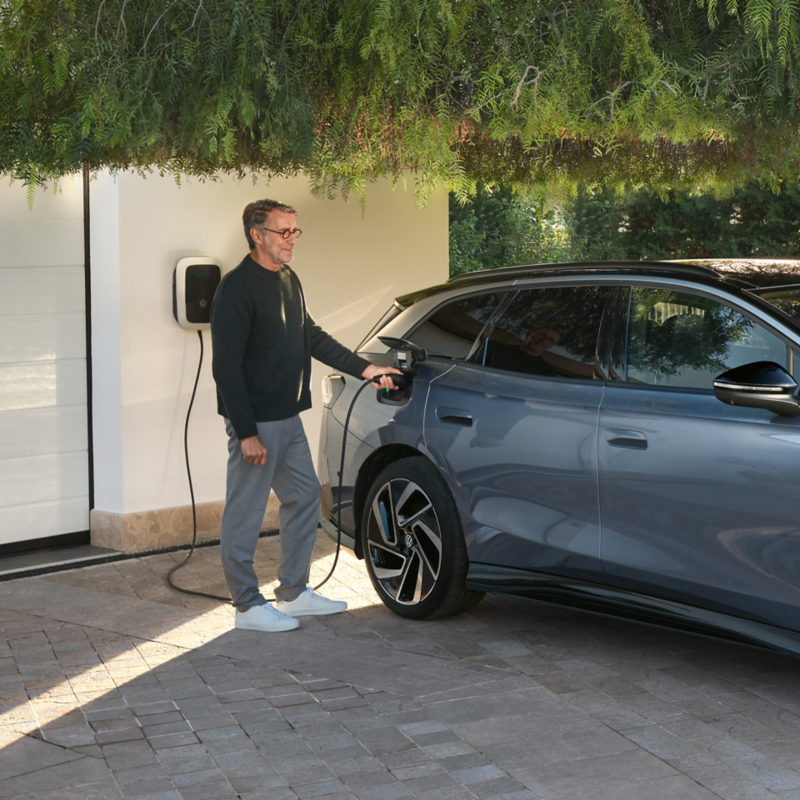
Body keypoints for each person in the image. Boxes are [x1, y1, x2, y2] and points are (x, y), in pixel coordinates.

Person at [211, 199, 401, 632]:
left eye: (295, 231)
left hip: (289, 416)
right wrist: (245, 432)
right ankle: (246, 606)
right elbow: (225, 368)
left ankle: (293, 593)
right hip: (256, 421)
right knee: (246, 509)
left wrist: (367, 370)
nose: (292, 239)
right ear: (257, 235)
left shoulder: (287, 279)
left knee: (304, 497)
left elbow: (310, 335)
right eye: (283, 232)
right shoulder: (236, 289)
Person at [487, 326, 562, 377]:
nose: (544, 340)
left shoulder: (547, 372)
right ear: (528, 334)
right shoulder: (493, 348)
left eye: (551, 340)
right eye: (542, 334)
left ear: (551, 346)